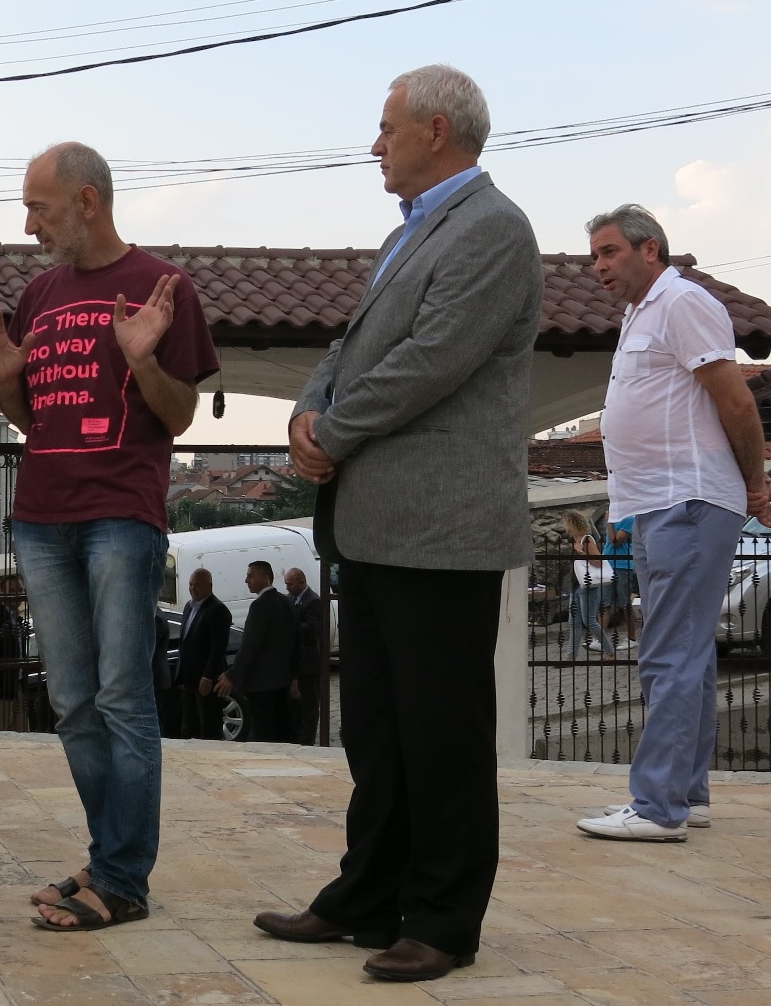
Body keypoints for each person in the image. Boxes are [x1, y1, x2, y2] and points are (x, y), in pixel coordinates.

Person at [262, 65, 543, 982]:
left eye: (387, 128)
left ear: (435, 130)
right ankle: (368, 896)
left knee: (442, 732)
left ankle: (445, 918)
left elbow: (434, 359)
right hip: (377, 523)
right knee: (378, 732)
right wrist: (308, 413)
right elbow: (350, 349)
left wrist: (333, 432)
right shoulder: (408, 233)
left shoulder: (493, 227)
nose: (375, 145)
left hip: (442, 528)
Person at [0, 141, 217, 932]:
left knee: (122, 696)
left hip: (120, 516)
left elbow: (178, 415)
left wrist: (143, 359)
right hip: (41, 519)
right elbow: (33, 420)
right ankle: (111, 857)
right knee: (73, 701)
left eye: (39, 208)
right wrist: (5, 382)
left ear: (86, 200)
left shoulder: (162, 286)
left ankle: (120, 879)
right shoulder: (40, 293)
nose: (29, 225)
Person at [575, 204, 771, 842]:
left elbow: (736, 401)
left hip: (686, 501)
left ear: (651, 249)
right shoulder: (640, 313)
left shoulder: (682, 302)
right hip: (657, 504)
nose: (599, 266)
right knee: (685, 653)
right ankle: (686, 795)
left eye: (609, 252)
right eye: (595, 256)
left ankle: (657, 807)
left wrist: (755, 483)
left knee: (669, 653)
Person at [215, 562, 296, 743]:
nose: (246, 580)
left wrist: (232, 675)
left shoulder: (260, 606)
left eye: (250, 576)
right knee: (282, 733)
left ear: (266, 578)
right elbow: (295, 641)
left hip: (261, 685)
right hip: (282, 681)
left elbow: (250, 646)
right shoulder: (286, 602)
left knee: (263, 735)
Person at [172, 568, 231, 741]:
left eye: (197, 585)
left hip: (206, 682)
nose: (192, 589)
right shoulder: (189, 607)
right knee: (189, 728)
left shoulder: (218, 610)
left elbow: (218, 648)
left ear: (209, 586)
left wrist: (208, 676)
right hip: (188, 680)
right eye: (190, 584)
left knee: (208, 728)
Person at [282, 567, 327, 744]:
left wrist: (289, 627)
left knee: (308, 705)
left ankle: (308, 740)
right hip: (294, 661)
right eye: (286, 584)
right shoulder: (289, 599)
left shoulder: (313, 601)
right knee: (294, 707)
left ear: (302, 582)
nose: (287, 588)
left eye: (290, 584)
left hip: (308, 664)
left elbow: (312, 628)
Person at [559, 510, 612, 660]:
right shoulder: (574, 540)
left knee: (589, 621)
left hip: (588, 586)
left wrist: (581, 552)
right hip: (576, 585)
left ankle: (609, 651)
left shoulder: (586, 540)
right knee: (574, 622)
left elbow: (598, 562)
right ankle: (570, 656)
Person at [604, 514, 639, 644]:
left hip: (622, 566)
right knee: (604, 603)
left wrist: (609, 523)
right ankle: (600, 638)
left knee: (625, 603)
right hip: (607, 564)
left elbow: (615, 541)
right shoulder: (614, 518)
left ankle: (631, 638)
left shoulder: (629, 519)